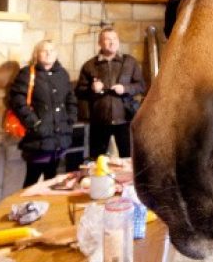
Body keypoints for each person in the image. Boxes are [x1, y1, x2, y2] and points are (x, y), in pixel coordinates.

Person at [9, 40, 78, 188]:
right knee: (32, 179)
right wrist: (35, 123)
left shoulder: (62, 74)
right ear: (36, 54)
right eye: (44, 50)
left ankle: (46, 202)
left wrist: (70, 119)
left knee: (52, 179)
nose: (48, 53)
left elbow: (70, 99)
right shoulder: (27, 73)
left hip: (59, 138)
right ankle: (28, 203)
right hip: (38, 138)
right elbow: (18, 101)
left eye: (52, 50)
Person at [76, 27, 145, 159]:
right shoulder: (89, 65)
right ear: (99, 43)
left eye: (114, 39)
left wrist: (125, 88)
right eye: (108, 39)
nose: (112, 42)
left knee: (128, 159)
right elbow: (79, 91)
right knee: (97, 160)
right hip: (99, 121)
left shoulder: (130, 62)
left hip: (125, 120)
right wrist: (92, 88)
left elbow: (141, 86)